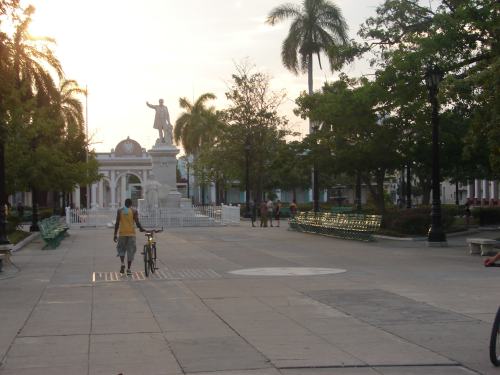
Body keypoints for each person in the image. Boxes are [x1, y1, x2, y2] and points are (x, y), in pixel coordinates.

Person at [113, 198, 145, 276]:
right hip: (131, 234)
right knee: (131, 251)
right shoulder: (134, 211)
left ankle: (122, 263)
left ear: (125, 203)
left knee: (121, 249)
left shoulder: (120, 211)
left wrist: (115, 234)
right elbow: (137, 222)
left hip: (122, 234)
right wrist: (141, 228)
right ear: (131, 204)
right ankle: (129, 269)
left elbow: (117, 223)